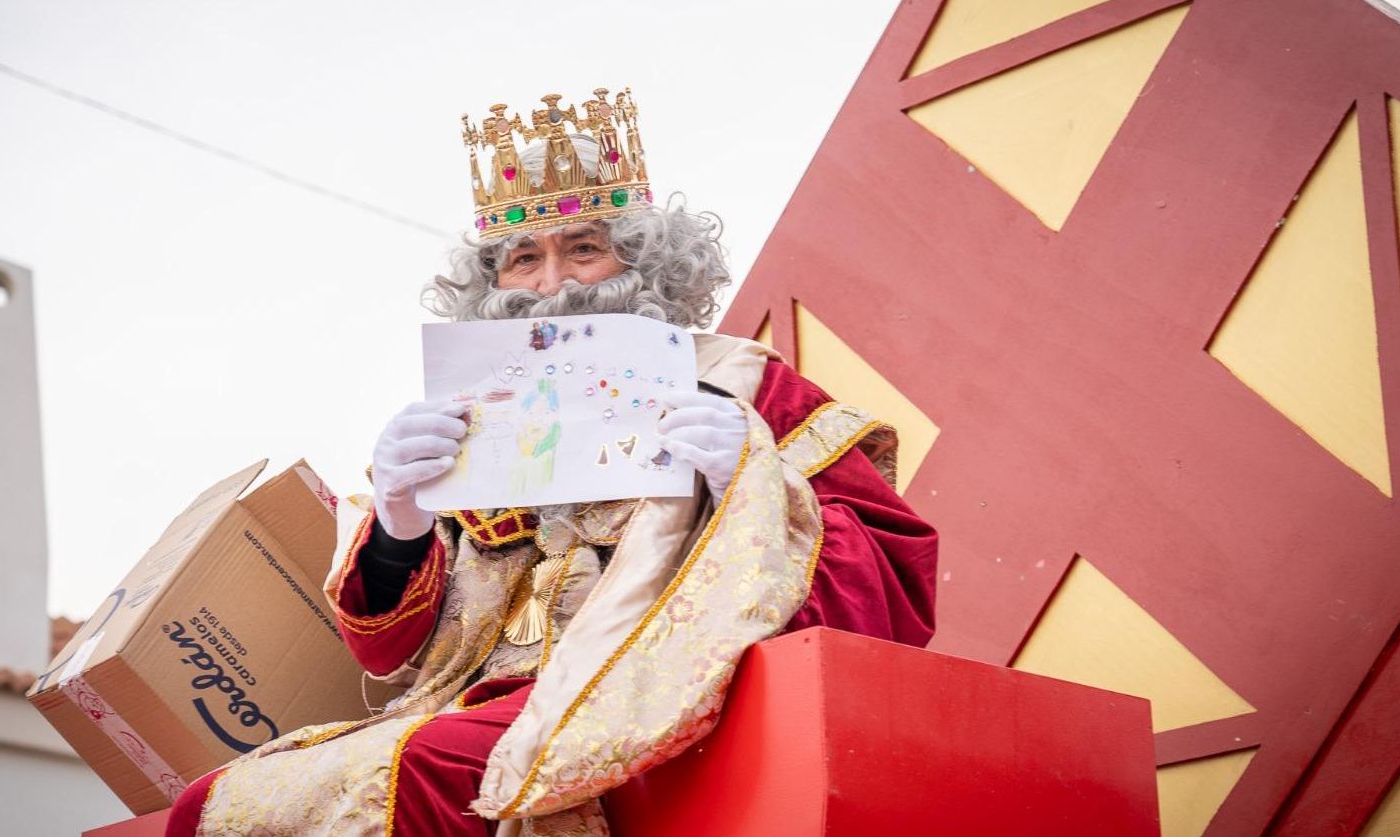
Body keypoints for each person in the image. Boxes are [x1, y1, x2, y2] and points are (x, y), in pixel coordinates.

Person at [167, 88, 937, 837]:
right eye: (522, 258)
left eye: (584, 249)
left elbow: (896, 590)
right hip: (473, 698)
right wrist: (400, 519)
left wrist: (756, 481)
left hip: (652, 683)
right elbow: (389, 653)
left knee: (418, 769)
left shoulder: (745, 383)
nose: (552, 282)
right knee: (214, 802)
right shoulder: (465, 420)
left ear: (648, 265)